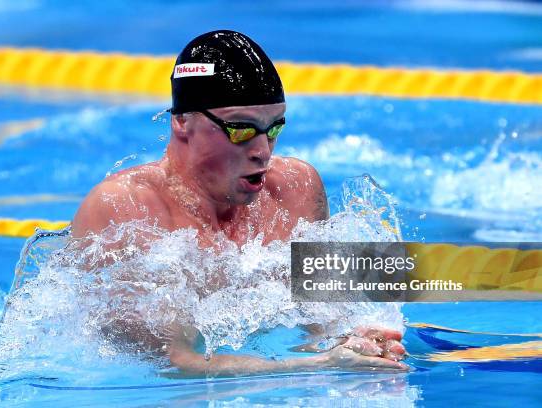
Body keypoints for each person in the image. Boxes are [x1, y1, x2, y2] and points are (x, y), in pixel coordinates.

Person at [71, 30, 407, 376]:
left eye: (274, 128)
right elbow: (176, 363)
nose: (263, 149)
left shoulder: (296, 189)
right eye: (241, 129)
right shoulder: (126, 209)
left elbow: (323, 320)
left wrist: (352, 340)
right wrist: (318, 364)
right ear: (182, 121)